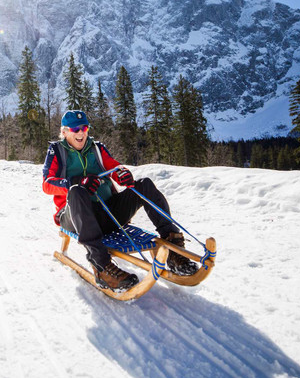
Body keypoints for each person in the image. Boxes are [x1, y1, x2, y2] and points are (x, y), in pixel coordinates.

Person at [42, 110, 197, 291]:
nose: (80, 133)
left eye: (84, 128)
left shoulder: (97, 148)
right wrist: (74, 182)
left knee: (144, 184)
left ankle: (173, 249)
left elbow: (114, 166)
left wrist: (122, 173)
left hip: (109, 213)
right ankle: (102, 266)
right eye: (75, 129)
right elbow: (47, 183)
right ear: (65, 132)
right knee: (77, 192)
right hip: (75, 217)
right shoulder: (57, 151)